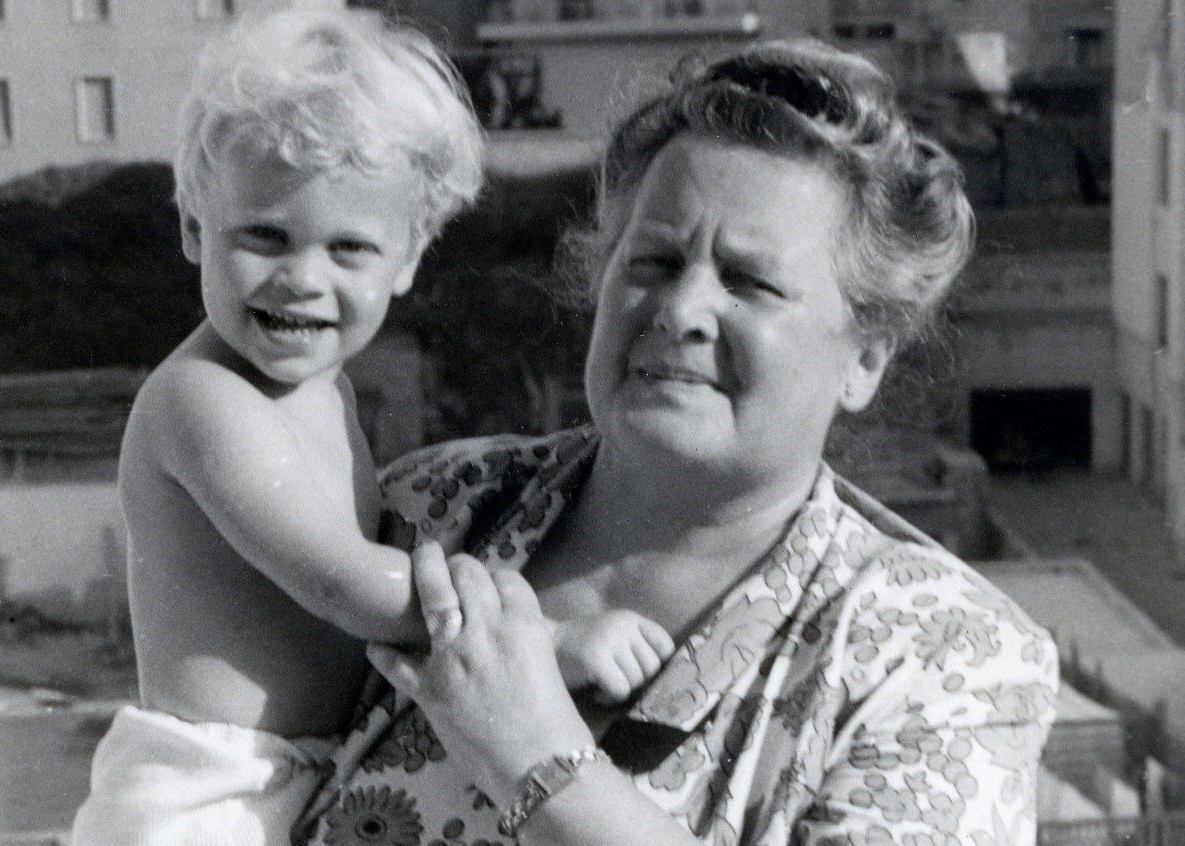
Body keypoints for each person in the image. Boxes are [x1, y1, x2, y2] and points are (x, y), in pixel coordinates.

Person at [294, 38, 1059, 846]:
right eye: (654, 261)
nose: (680, 309)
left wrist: (535, 760)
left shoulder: (942, 655)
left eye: (750, 282)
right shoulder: (427, 509)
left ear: (864, 359)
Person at [71, 10, 669, 845]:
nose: (301, 279)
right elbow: (341, 582)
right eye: (264, 237)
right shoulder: (202, 399)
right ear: (194, 229)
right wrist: (541, 639)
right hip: (204, 795)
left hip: (292, 774)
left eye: (348, 249)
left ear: (408, 259)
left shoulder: (327, 392)